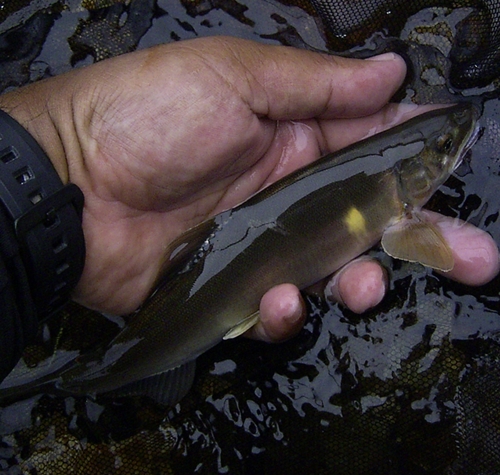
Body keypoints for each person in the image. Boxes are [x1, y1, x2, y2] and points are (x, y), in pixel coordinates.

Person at [0, 35, 497, 354]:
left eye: (445, 147)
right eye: (446, 148)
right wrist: (62, 151)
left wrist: (62, 155)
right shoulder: (398, 200)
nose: (452, 148)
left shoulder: (388, 180)